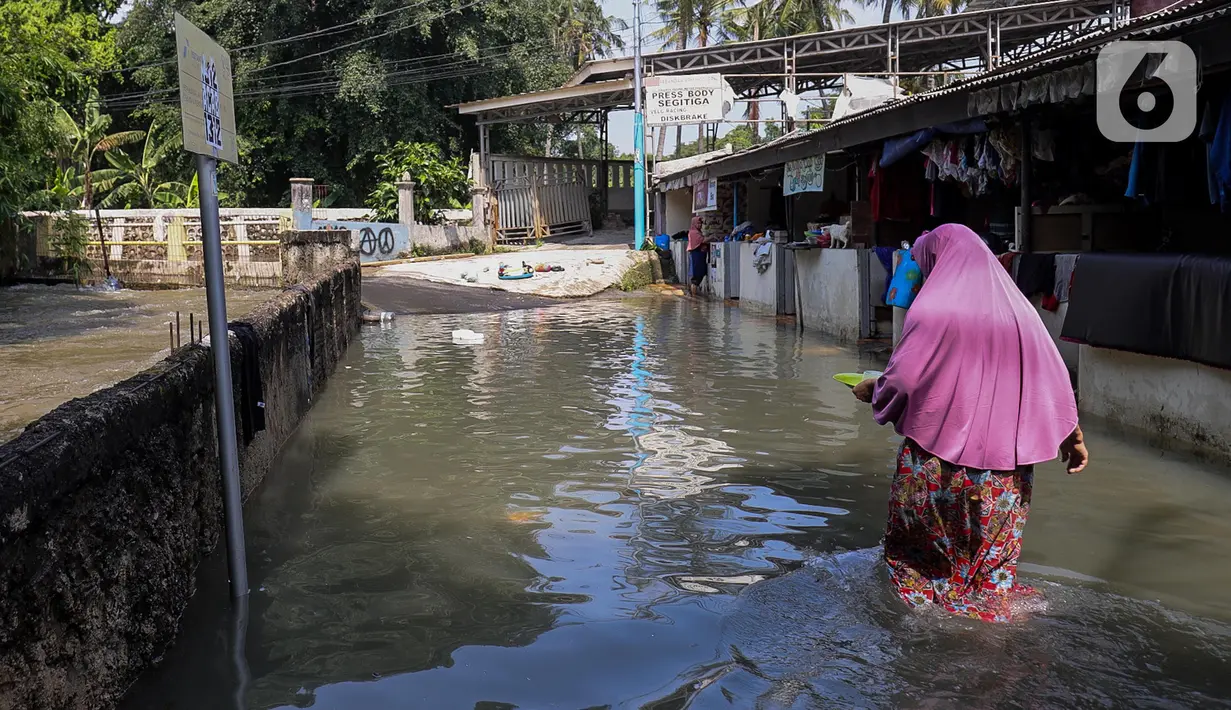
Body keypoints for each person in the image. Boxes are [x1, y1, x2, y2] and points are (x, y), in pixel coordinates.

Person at [852, 223, 1088, 623]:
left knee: (920, 572)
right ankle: (994, 643)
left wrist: (875, 389)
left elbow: (905, 381)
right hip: (1005, 476)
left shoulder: (932, 309)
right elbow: (1055, 378)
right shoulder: (1021, 312)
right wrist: (1073, 436)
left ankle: (927, 660)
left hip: (936, 468)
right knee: (990, 578)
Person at [687, 214, 707, 296]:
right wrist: (712, 237)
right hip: (697, 256)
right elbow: (703, 240)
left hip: (699, 256)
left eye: (700, 224)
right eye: (698, 223)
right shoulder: (694, 232)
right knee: (696, 277)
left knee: (698, 275)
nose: (700, 225)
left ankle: (693, 295)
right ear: (694, 224)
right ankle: (694, 297)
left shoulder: (697, 232)